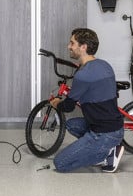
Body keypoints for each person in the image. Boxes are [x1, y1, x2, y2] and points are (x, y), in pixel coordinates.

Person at [49, 28, 125, 173]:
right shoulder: (104, 65)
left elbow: (68, 106)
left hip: (103, 133)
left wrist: (56, 103)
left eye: (72, 43)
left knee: (60, 163)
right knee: (71, 125)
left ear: (83, 47)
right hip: (116, 128)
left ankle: (105, 154)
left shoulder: (83, 75)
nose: (68, 46)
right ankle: (107, 147)